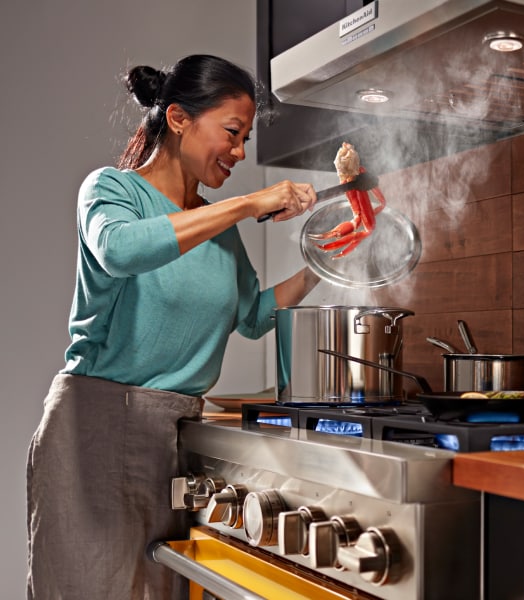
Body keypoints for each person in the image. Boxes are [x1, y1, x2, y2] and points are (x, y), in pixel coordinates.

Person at [26, 54, 320, 599]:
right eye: (232, 133)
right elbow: (119, 250)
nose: (239, 152)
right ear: (180, 118)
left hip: (178, 439)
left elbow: (253, 317)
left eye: (246, 139)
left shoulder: (221, 231)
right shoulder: (112, 191)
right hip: (95, 428)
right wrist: (246, 204)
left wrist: (322, 262)